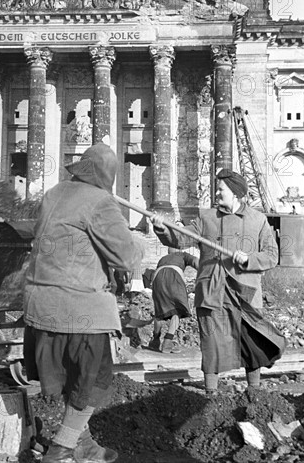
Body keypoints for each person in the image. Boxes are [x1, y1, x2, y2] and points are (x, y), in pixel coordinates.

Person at [23, 143, 144, 463]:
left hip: (39, 305)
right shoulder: (101, 202)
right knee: (94, 379)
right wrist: (142, 235)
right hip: (77, 309)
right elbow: (125, 257)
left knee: (72, 377)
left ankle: (84, 442)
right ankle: (62, 448)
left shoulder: (54, 193)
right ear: (108, 175)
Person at [151, 169, 285, 394]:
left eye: (221, 189)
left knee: (249, 341)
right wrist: (162, 228)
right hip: (212, 290)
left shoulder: (257, 219)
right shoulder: (207, 218)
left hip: (245, 292)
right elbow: (182, 237)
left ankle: (254, 391)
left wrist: (250, 259)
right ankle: (210, 393)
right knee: (211, 342)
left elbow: (272, 255)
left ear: (235, 193)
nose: (217, 193)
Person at [148, 250, 199, 354]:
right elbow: (196, 262)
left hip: (157, 279)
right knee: (177, 310)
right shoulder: (183, 255)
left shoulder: (163, 258)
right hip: (173, 278)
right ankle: (167, 342)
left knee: (160, 310)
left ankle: (155, 340)